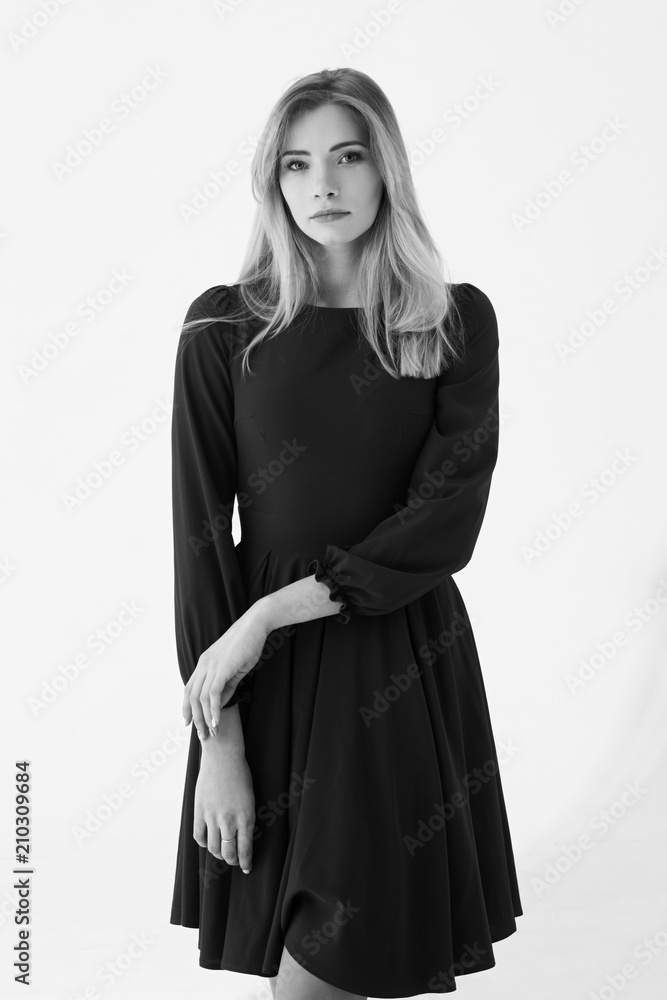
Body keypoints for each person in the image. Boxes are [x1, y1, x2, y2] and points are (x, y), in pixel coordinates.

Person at [169, 67, 522, 1000]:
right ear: (273, 181)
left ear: (385, 169)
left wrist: (269, 613)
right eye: (296, 163)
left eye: (347, 156)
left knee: (345, 956)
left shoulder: (453, 322)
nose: (322, 184)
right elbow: (198, 544)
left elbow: (446, 518)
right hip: (261, 686)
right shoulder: (222, 327)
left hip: (396, 661)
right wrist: (219, 741)